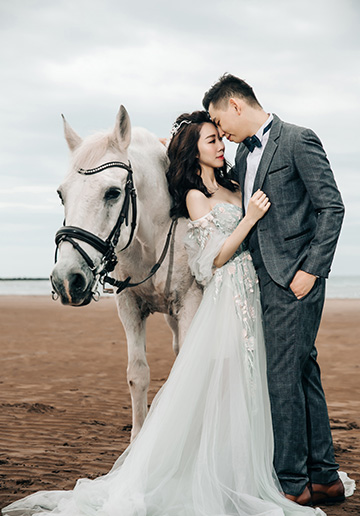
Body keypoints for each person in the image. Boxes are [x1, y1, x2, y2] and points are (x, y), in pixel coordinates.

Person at [2, 111, 328, 516]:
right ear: (197, 151)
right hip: (228, 283)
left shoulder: (234, 180)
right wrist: (248, 220)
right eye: (212, 141)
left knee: (253, 377)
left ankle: (261, 464)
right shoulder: (194, 197)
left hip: (246, 289)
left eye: (219, 138)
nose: (222, 145)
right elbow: (214, 256)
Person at [202, 74, 347, 506]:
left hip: (294, 282)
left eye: (217, 118)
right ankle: (324, 477)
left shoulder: (299, 140)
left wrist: (312, 271)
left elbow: (331, 206)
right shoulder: (244, 161)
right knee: (304, 373)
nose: (221, 130)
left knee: (281, 379)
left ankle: (291, 485)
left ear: (235, 104)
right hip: (260, 285)